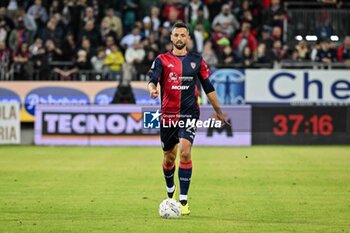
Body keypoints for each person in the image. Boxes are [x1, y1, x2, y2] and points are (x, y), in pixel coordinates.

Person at [147, 22, 226, 215]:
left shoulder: (197, 61)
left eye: (183, 35)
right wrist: (152, 89)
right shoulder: (162, 59)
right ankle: (170, 192)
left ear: (188, 38)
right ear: (171, 38)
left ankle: (183, 202)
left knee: (185, 152)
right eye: (176, 35)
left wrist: (220, 112)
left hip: (189, 113)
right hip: (168, 115)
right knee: (169, 158)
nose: (180, 38)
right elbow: (153, 78)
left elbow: (208, 87)